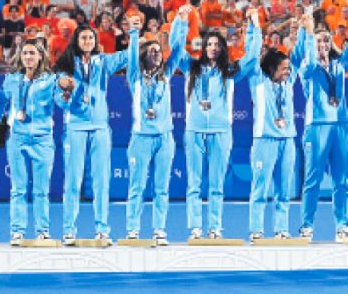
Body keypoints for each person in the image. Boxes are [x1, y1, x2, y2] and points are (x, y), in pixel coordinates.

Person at [168, 12, 259, 239]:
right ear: (203, 47)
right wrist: (180, 22)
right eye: (209, 44)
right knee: (194, 183)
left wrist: (254, 27)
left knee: (217, 184)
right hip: (195, 130)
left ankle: (215, 227)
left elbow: (253, 56)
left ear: (222, 48)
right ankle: (196, 228)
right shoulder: (191, 67)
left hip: (221, 131)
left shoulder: (229, 71)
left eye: (217, 45)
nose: (213, 48)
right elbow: (176, 48)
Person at [55, 24, 130, 245]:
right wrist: (66, 94)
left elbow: (128, 56)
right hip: (76, 126)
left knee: (101, 180)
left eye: (91, 37)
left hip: (99, 127)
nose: (87, 41)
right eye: (83, 37)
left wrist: (133, 35)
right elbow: (59, 98)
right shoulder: (67, 66)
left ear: (96, 41)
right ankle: (69, 230)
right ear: (76, 40)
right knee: (72, 181)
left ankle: (102, 230)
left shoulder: (103, 62)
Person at [297, 3, 348, 241]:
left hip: (342, 125)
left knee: (341, 180)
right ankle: (306, 225)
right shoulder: (308, 66)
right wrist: (309, 33)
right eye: (319, 41)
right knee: (312, 179)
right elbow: (309, 66)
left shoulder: (338, 65)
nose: (323, 45)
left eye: (326, 41)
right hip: (317, 127)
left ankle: (342, 224)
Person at [123, 12, 189, 245]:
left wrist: (180, 23)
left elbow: (179, 50)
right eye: (151, 51)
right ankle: (133, 229)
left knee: (161, 187)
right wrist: (133, 33)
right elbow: (131, 56)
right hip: (141, 138)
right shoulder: (135, 76)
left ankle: (159, 229)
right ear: (144, 55)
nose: (156, 54)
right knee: (137, 185)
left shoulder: (166, 75)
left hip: (164, 138)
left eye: (158, 51)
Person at [246, 12, 305, 242]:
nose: (288, 72)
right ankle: (256, 230)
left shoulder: (288, 82)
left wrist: (300, 33)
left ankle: (281, 229)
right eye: (283, 68)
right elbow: (251, 56)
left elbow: (298, 57)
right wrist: (254, 27)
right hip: (265, 141)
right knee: (260, 188)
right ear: (271, 69)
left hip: (287, 141)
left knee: (284, 190)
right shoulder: (258, 82)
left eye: (288, 68)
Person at [0, 38, 58, 245]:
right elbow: (0, 102)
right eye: (25, 53)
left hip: (42, 140)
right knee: (18, 189)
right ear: (20, 57)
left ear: (41, 56)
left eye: (32, 53)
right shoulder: (12, 79)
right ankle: (17, 232)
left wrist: (68, 95)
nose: (29, 57)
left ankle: (42, 231)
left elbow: (61, 100)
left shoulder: (51, 80)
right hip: (18, 138)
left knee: (41, 190)